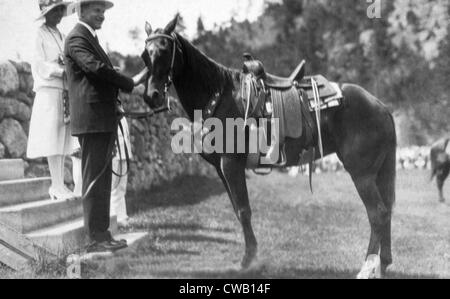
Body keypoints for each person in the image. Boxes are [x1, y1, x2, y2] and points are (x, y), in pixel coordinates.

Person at [64, 0, 147, 253]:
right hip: (92, 120)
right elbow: (96, 69)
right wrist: (130, 84)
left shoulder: (89, 38)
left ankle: (102, 234)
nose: (101, 15)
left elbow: (99, 72)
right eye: (96, 10)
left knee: (102, 180)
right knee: (94, 179)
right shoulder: (77, 38)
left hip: (101, 118)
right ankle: (95, 238)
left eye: (103, 11)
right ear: (81, 11)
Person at [27, 0, 76, 201]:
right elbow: (38, 64)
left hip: (64, 91)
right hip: (49, 90)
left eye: (60, 10)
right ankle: (55, 185)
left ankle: (61, 184)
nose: (58, 14)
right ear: (45, 13)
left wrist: (69, 70)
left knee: (63, 138)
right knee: (51, 138)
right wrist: (60, 70)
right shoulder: (38, 34)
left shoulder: (63, 36)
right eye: (53, 10)